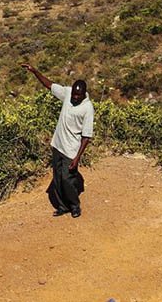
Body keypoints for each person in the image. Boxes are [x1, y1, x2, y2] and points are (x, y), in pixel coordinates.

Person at [23, 63, 94, 218]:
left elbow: (86, 136)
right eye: (74, 94)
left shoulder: (88, 108)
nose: (75, 97)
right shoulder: (67, 94)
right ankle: (62, 206)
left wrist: (77, 157)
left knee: (67, 179)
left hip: (71, 149)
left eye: (78, 95)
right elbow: (50, 85)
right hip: (58, 144)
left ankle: (74, 206)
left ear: (84, 94)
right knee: (57, 178)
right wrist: (35, 71)